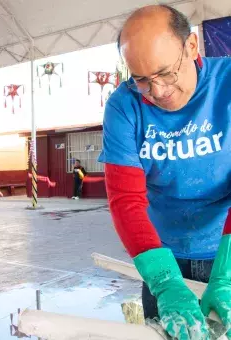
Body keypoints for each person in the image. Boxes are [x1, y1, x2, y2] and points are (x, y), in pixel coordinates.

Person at [98, 5, 231, 340]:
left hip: (225, 248)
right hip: (159, 254)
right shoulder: (123, 107)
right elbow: (126, 201)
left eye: (165, 73)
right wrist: (164, 281)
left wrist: (226, 275)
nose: (157, 92)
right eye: (142, 79)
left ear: (191, 46)